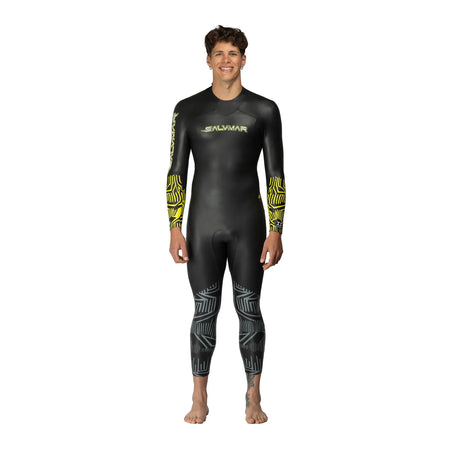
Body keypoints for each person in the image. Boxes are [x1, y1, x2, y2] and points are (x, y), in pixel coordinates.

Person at [166, 25, 286, 424]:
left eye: (233, 53)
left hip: (248, 226)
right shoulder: (187, 109)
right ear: (208, 60)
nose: (226, 60)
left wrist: (276, 230)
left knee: (249, 309)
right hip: (202, 225)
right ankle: (199, 396)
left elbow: (275, 175)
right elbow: (176, 172)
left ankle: (253, 396)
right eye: (219, 53)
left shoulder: (265, 110)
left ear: (243, 60)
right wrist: (175, 226)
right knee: (204, 310)